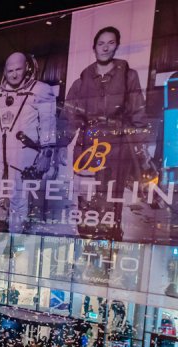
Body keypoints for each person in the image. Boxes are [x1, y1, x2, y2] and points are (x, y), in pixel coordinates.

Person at [61, 26, 153, 239]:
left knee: (111, 198)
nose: (105, 47)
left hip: (116, 147)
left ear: (117, 46)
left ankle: (110, 244)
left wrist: (141, 148)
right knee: (85, 196)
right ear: (94, 48)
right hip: (87, 146)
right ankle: (87, 242)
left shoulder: (129, 76)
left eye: (110, 43)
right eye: (101, 43)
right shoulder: (82, 80)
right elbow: (69, 116)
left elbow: (138, 111)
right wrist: (54, 146)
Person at [0, 51, 57, 233]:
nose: (14, 74)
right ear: (5, 71)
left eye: (18, 69)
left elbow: (48, 122)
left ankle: (17, 237)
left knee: (20, 198)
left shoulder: (40, 90)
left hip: (23, 155)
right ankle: (0, 224)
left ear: (26, 67)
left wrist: (47, 152)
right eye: (10, 71)